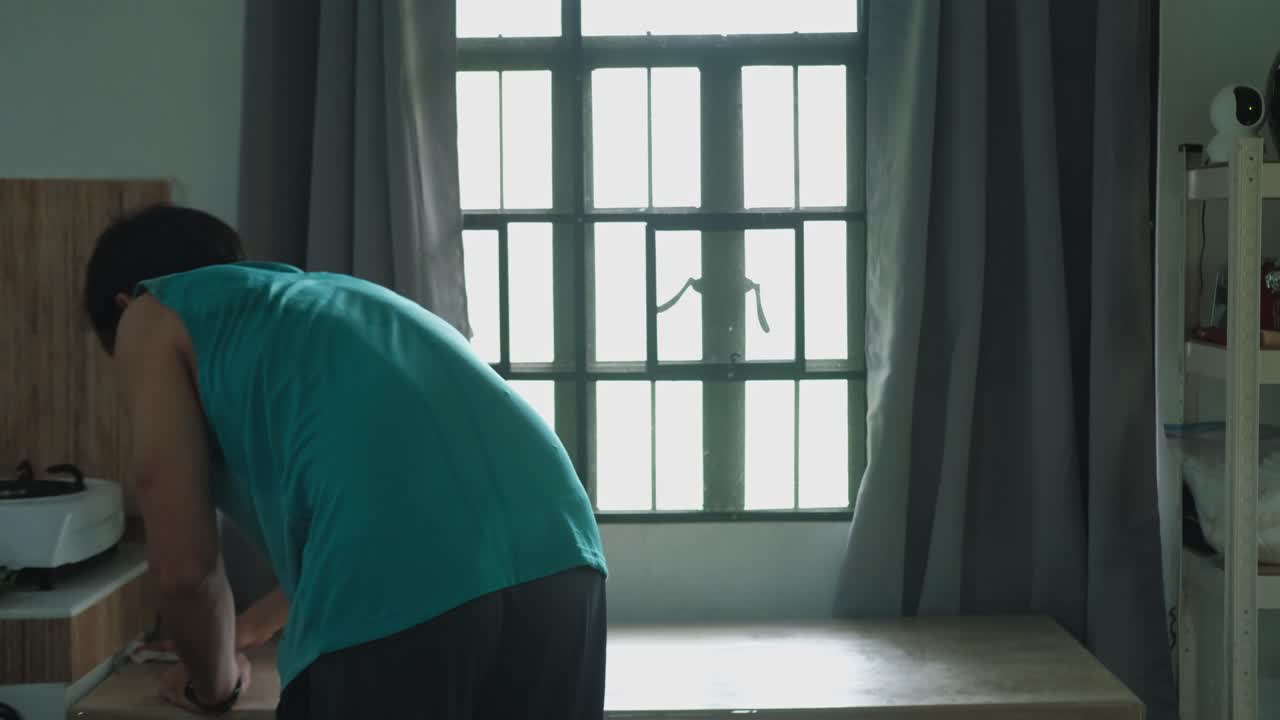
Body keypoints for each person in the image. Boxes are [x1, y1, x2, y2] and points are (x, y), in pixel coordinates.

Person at [83, 204, 608, 719]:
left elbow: (185, 570)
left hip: (408, 585)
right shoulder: (334, 305)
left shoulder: (150, 315)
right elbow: (410, 502)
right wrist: (249, 626)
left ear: (125, 303)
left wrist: (213, 683)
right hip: (563, 558)